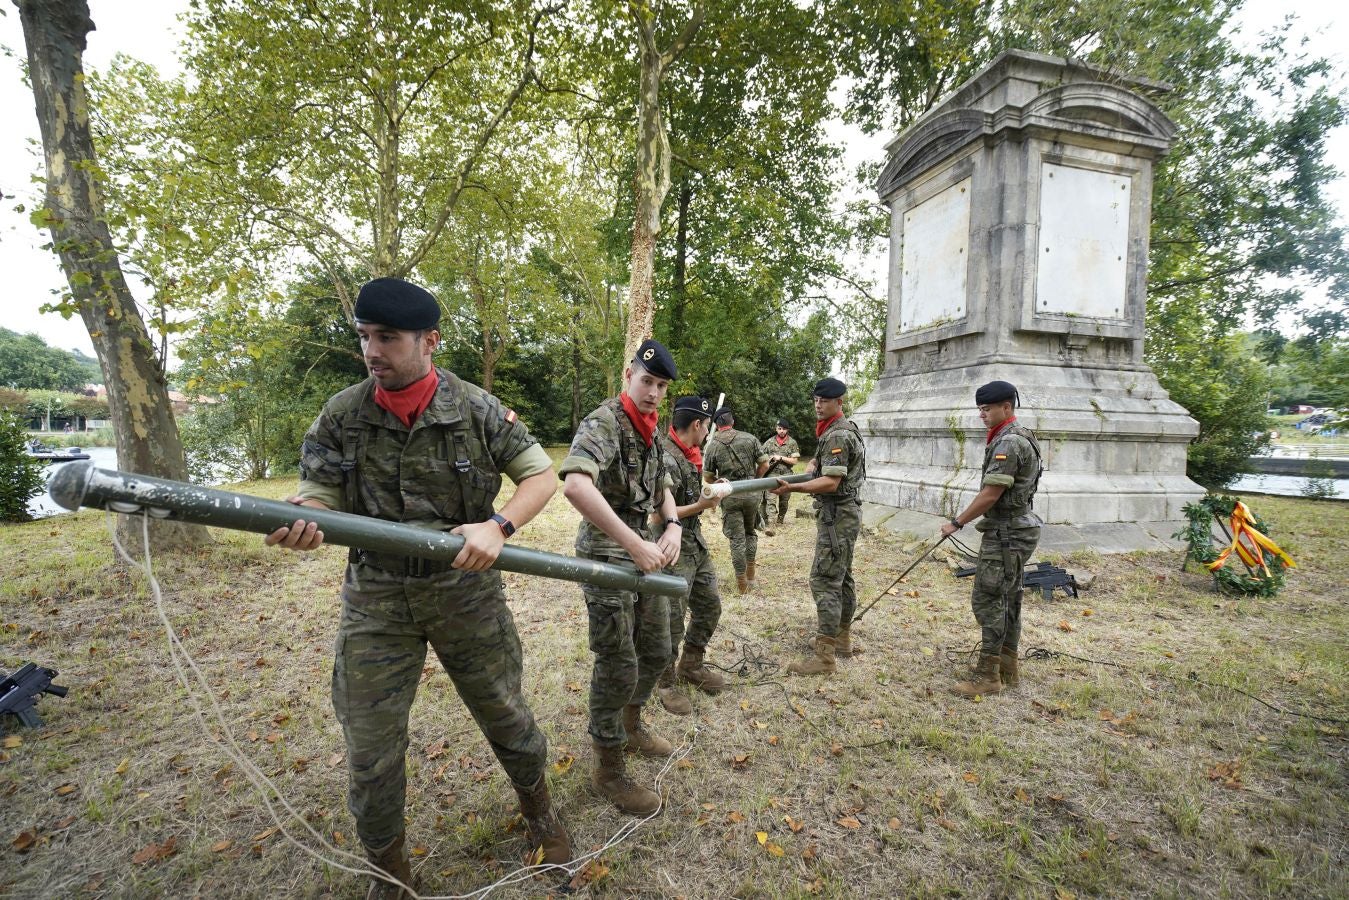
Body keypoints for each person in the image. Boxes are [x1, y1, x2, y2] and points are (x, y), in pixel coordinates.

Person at [264, 277, 569, 899]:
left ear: (430, 341)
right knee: (370, 747)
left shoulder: (477, 408)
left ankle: (540, 813)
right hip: (376, 598)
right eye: (366, 338)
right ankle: (389, 868)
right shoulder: (342, 414)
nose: (373, 351)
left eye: (388, 338)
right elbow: (318, 490)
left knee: (506, 713)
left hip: (466, 592)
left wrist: (498, 525)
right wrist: (306, 515)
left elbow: (541, 476)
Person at [559, 339, 683, 816]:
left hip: (645, 553)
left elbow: (663, 487)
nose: (653, 392)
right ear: (628, 376)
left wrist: (671, 524)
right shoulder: (605, 421)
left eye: (661, 386)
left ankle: (633, 725)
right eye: (647, 381)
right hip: (608, 554)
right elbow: (574, 484)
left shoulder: (651, 430)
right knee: (617, 660)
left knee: (656, 647)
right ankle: (608, 766)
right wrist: (634, 543)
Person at [939, 380, 1042, 697]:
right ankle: (1006, 665)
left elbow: (991, 493)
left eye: (987, 409)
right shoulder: (1023, 436)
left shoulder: (1008, 443)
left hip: (1007, 531)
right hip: (1015, 529)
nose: (982, 415)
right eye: (980, 409)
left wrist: (957, 522)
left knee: (988, 598)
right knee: (1009, 596)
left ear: (1006, 407)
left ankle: (988, 676)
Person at [771, 378, 867, 676]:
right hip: (845, 514)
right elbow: (822, 465)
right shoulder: (841, 429)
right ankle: (842, 638)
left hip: (836, 515)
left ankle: (825, 656)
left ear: (839, 402)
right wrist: (812, 465)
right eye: (815, 399)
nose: (817, 404)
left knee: (825, 579)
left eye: (824, 400)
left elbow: (831, 481)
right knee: (842, 575)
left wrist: (794, 489)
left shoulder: (837, 434)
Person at [653, 396, 727, 716]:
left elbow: (695, 492)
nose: (709, 431)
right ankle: (665, 681)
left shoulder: (690, 454)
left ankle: (691, 666)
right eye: (707, 425)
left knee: (710, 606)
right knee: (670, 619)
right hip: (671, 548)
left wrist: (712, 489)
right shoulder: (666, 458)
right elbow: (656, 516)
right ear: (697, 425)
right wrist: (701, 505)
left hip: (695, 544)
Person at [703, 407, 770, 593]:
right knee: (750, 533)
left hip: (730, 496)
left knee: (737, 540)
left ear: (717, 425)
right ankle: (751, 577)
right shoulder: (750, 438)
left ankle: (742, 585)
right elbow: (765, 464)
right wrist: (754, 481)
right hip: (751, 495)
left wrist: (720, 482)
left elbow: (708, 477)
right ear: (732, 421)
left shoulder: (713, 445)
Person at [759, 419, 800, 534]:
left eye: (784, 429)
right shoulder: (769, 442)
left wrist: (780, 458)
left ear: (787, 429)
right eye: (779, 428)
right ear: (776, 429)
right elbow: (761, 456)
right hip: (772, 474)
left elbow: (795, 461)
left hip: (787, 474)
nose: (782, 431)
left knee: (784, 500)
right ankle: (771, 525)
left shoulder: (792, 442)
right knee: (770, 498)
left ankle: (780, 518)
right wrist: (769, 459)